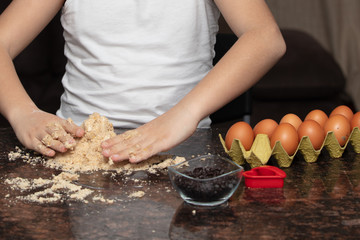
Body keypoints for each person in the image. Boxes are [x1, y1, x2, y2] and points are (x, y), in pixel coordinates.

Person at [0, 0, 286, 163]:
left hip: (181, 151)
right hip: (79, 150)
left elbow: (265, 37)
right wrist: (22, 112)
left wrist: (183, 115)